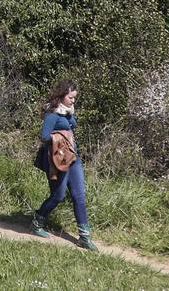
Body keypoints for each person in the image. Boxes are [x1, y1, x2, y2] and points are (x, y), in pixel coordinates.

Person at [31, 79, 96, 251]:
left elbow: (73, 125)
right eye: (71, 97)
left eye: (75, 98)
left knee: (79, 195)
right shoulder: (52, 114)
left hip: (72, 158)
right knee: (58, 196)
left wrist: (70, 114)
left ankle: (84, 237)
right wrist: (60, 138)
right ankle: (38, 220)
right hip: (57, 159)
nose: (73, 101)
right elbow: (44, 136)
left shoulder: (67, 112)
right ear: (61, 96)